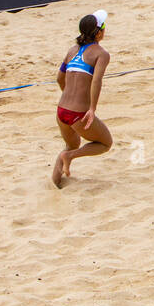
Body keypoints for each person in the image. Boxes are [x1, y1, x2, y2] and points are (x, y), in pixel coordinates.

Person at [52, 10, 114, 188]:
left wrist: (68, 94)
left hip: (61, 110)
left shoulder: (72, 50)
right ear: (99, 33)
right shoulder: (101, 54)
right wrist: (92, 108)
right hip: (78, 113)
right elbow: (97, 81)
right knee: (105, 143)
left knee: (70, 145)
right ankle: (69, 157)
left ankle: (54, 185)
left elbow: (59, 78)